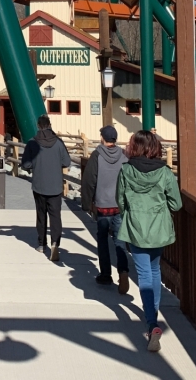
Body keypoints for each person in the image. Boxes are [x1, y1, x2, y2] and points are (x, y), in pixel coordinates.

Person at [117, 131, 182, 353]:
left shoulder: (126, 170)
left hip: (136, 225)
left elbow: (121, 200)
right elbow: (176, 204)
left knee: (144, 273)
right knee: (154, 271)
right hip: (158, 226)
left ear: (135, 147)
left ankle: (152, 322)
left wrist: (131, 214)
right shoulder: (164, 172)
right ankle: (152, 316)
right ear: (154, 147)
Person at [80, 125, 130, 293]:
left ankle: (106, 275)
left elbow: (89, 181)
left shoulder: (97, 156)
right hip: (119, 206)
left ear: (103, 138)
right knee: (119, 241)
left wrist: (87, 203)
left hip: (102, 206)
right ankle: (123, 271)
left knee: (102, 241)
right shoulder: (123, 156)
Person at [21, 114, 72, 262]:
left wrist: (35, 165)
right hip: (56, 186)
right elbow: (67, 162)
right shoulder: (58, 142)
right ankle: (55, 243)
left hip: (39, 185)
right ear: (49, 125)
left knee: (41, 215)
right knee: (55, 217)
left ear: (38, 126)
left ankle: (42, 244)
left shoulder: (32, 143)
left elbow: (26, 164)